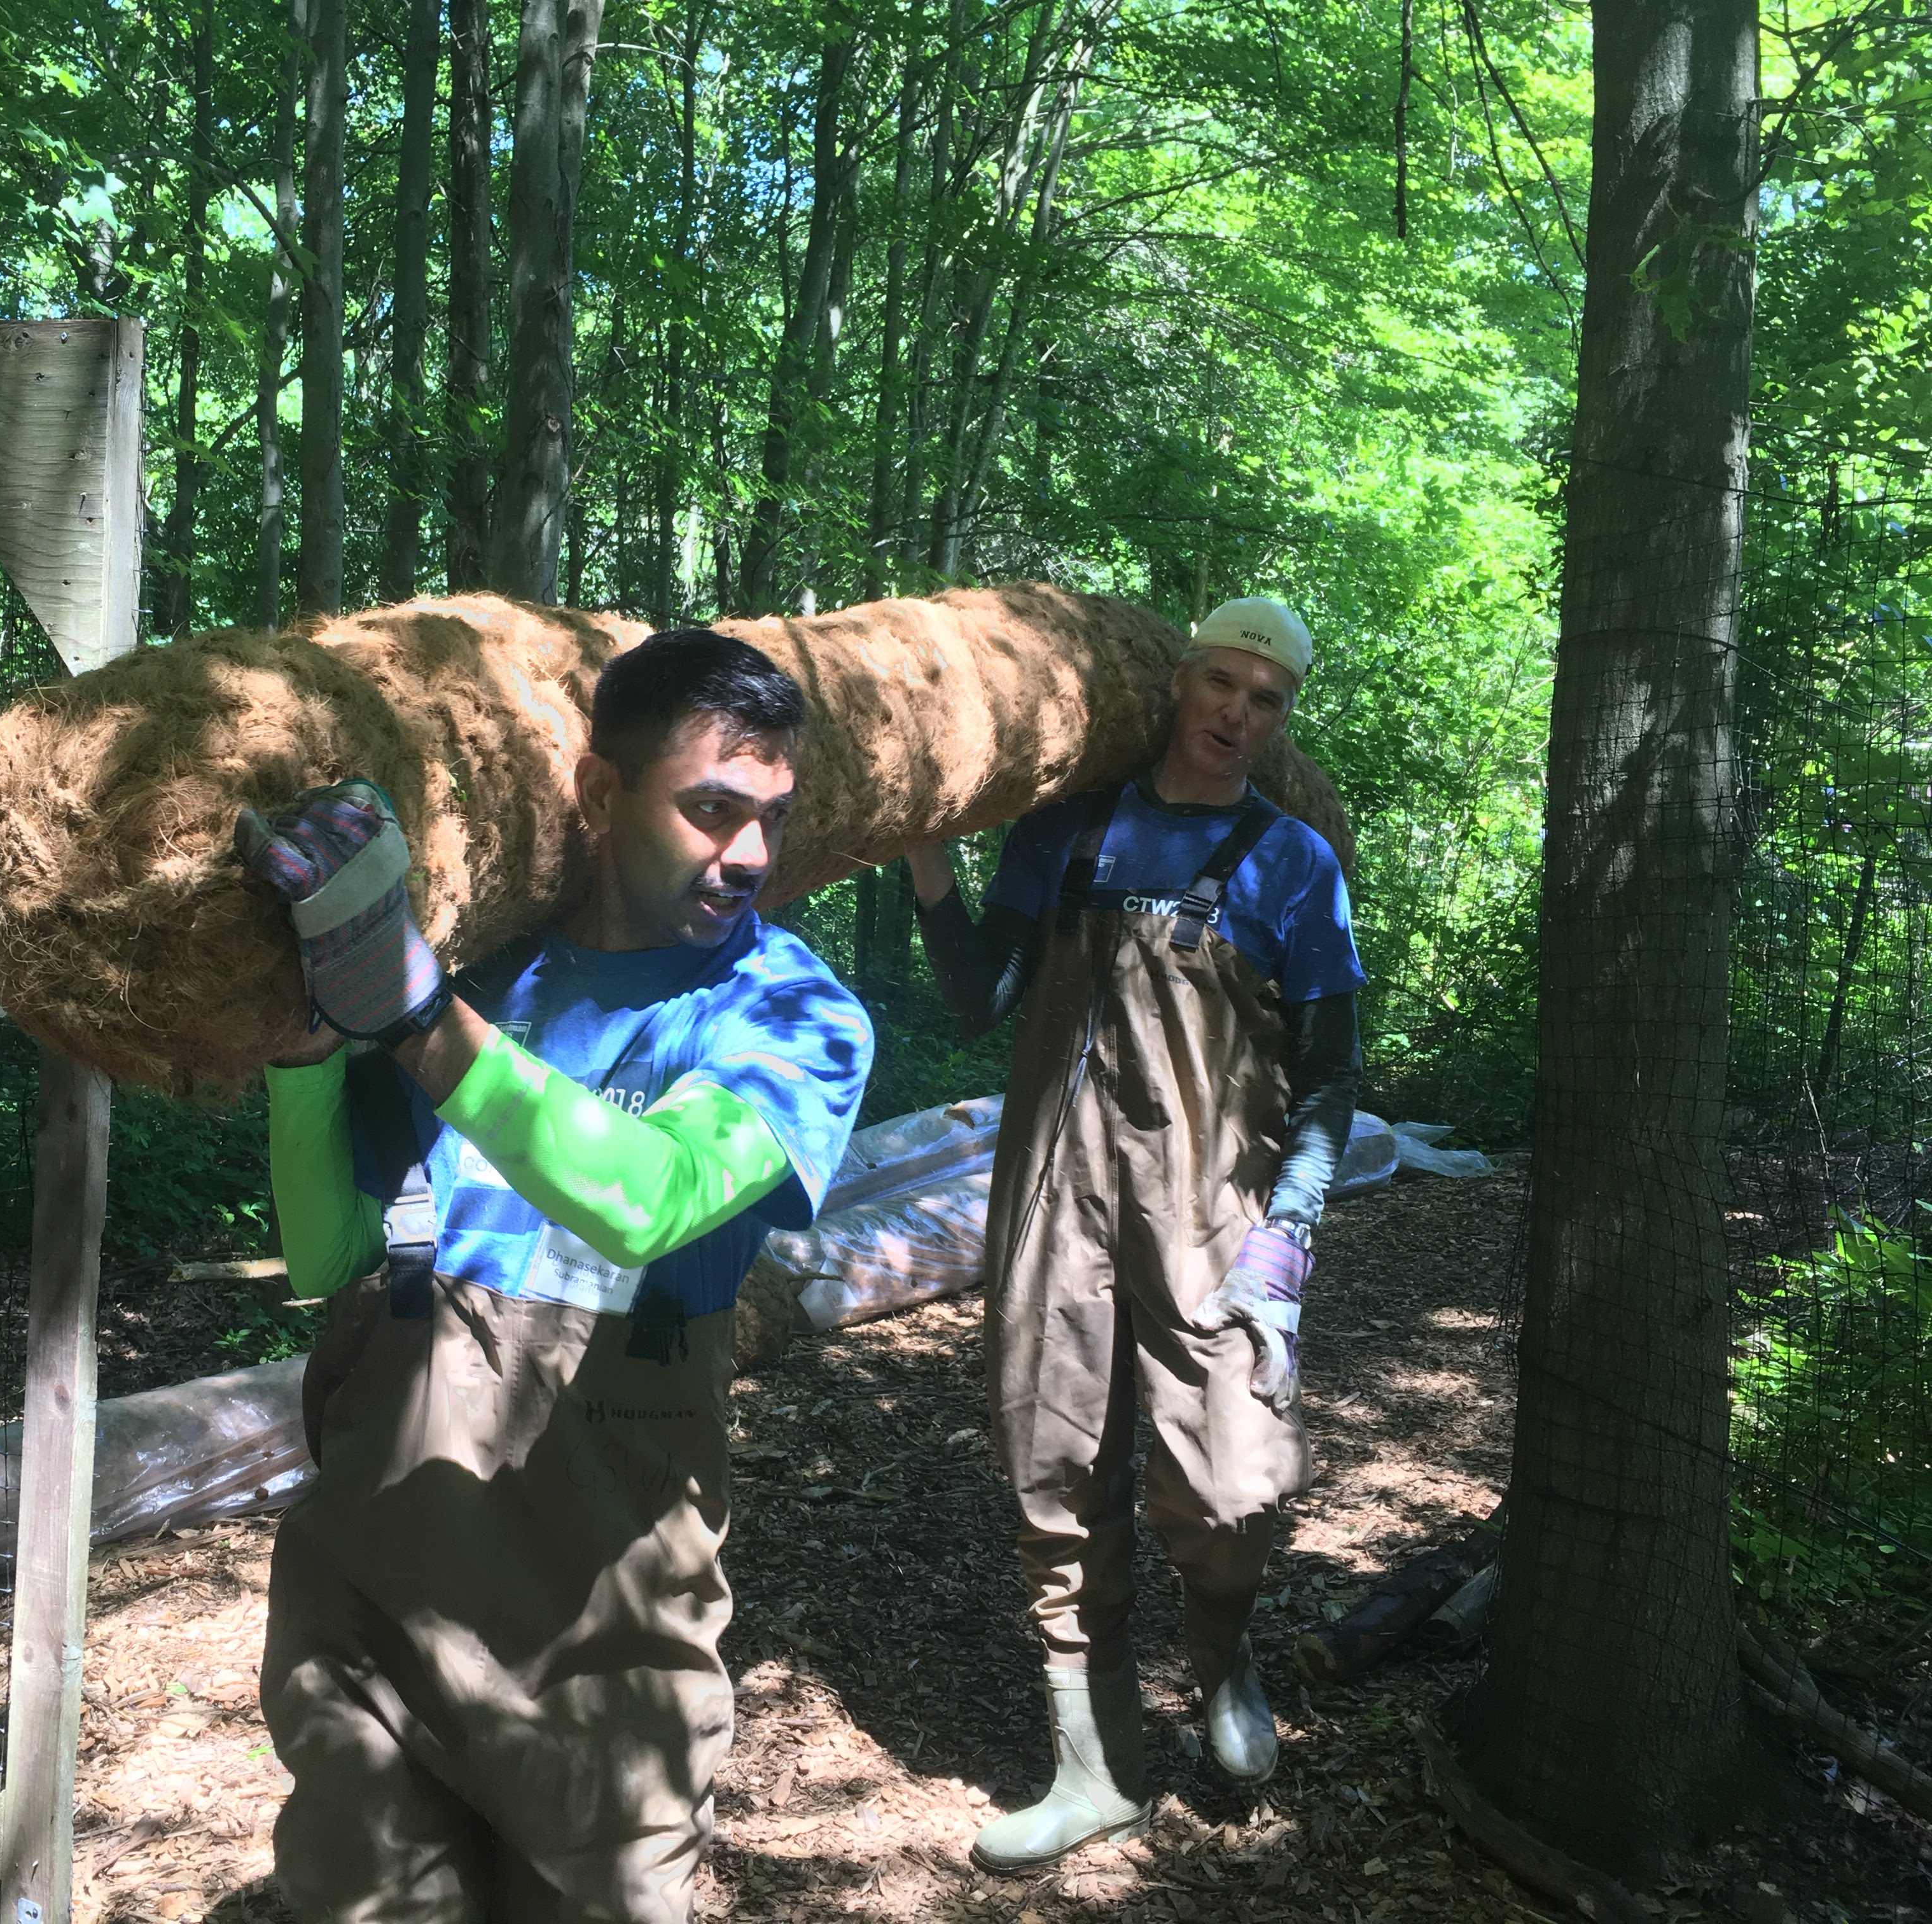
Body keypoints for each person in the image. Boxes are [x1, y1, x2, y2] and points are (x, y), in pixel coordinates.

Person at [239, 628, 873, 1923]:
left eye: (770, 819)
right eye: (711, 809)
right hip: (371, 1600)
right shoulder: (479, 976)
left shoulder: (792, 1012)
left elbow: (648, 1200)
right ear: (597, 794)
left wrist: (408, 1012)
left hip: (604, 1648)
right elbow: (332, 1259)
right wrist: (301, 1043)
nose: (748, 855)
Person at [905, 596, 1363, 1872]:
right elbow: (974, 1001)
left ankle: (1223, 1651)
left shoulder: (1291, 864)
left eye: (1266, 700)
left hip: (1218, 1214)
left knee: (1228, 1482)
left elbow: (1330, 1076)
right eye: (1221, 683)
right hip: (1057, 1199)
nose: (1237, 715)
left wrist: (1289, 1245)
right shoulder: (1072, 828)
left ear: (1282, 721)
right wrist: (929, 855)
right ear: (1181, 686)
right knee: (1054, 1468)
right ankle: (1092, 1766)